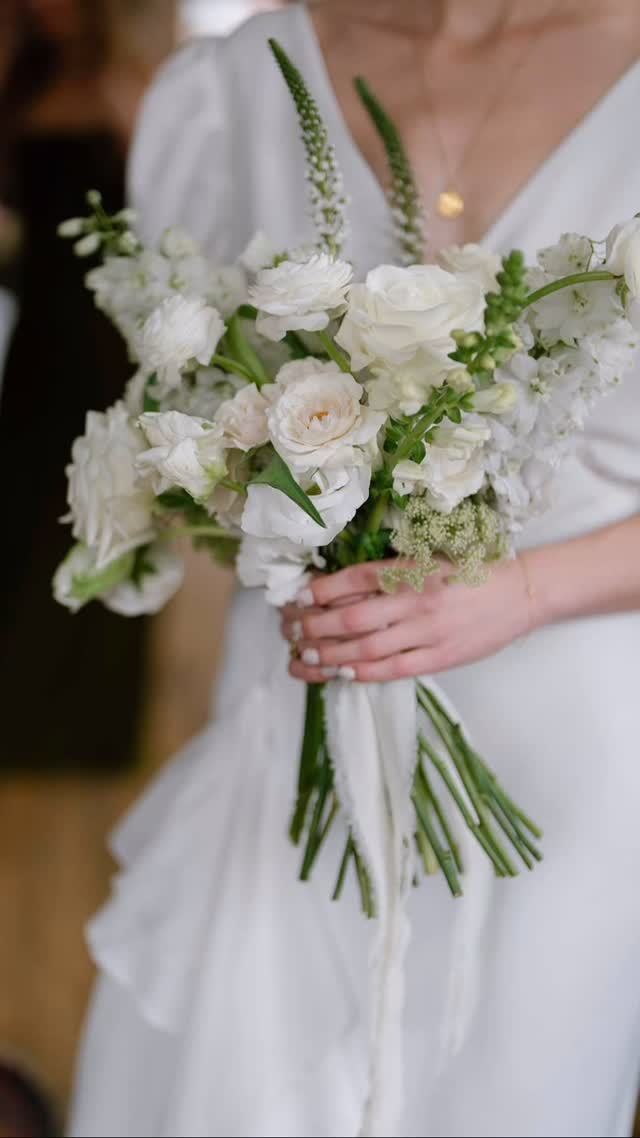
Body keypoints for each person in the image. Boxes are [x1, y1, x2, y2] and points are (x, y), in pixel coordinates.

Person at [69, 2, 640, 1135]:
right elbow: (188, 410)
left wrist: (527, 586)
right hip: (304, 697)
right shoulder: (227, 93)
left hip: (571, 748)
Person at [0, 0, 175, 772]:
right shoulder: (19, 85)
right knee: (25, 511)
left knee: (107, 505)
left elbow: (163, 211)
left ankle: (92, 729)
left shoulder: (127, 85)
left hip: (104, 334)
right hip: (38, 327)